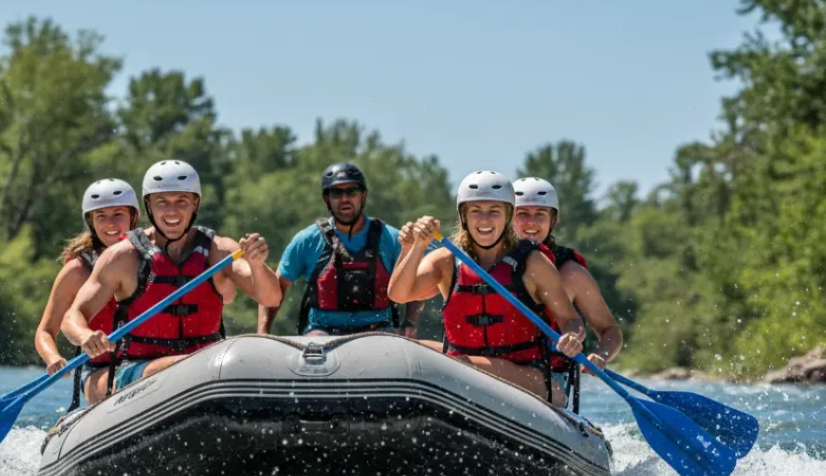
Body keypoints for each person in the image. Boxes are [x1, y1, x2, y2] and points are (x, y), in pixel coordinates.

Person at [62, 159, 281, 394]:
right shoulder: (123, 257)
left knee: (213, 365)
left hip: (207, 370)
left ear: (195, 204)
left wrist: (258, 266)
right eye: (162, 202)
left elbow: (270, 298)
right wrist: (85, 335)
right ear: (149, 205)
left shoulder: (219, 250)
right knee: (190, 367)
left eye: (181, 201)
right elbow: (72, 317)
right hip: (136, 370)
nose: (172, 211)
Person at [388, 170, 585, 404]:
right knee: (396, 347)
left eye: (494, 211)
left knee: (460, 365)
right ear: (464, 217)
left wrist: (573, 337)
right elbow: (399, 294)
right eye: (476, 211)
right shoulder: (446, 261)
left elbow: (571, 321)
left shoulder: (533, 263)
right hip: (460, 367)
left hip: (529, 378)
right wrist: (415, 247)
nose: (484, 220)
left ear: (508, 215)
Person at [256, 161, 424, 337]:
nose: (345, 199)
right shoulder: (307, 240)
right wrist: (263, 332)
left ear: (363, 196)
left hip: (379, 333)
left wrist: (409, 323)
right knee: (317, 338)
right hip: (322, 334)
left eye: (352, 192)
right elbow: (274, 290)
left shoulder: (392, 239)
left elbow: (416, 281)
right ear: (326, 199)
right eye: (337, 193)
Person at [34, 178, 138, 407]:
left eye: (118, 214)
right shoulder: (77, 271)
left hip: (145, 361)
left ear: (133, 217)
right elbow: (45, 331)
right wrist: (53, 358)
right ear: (91, 222)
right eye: (101, 216)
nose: (110, 223)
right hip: (98, 369)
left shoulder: (149, 259)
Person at [511, 177, 623, 375]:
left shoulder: (570, 272)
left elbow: (610, 330)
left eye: (541, 214)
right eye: (522, 214)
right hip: (491, 367)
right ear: (507, 218)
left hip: (547, 378)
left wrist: (601, 355)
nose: (532, 222)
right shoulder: (489, 263)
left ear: (552, 220)